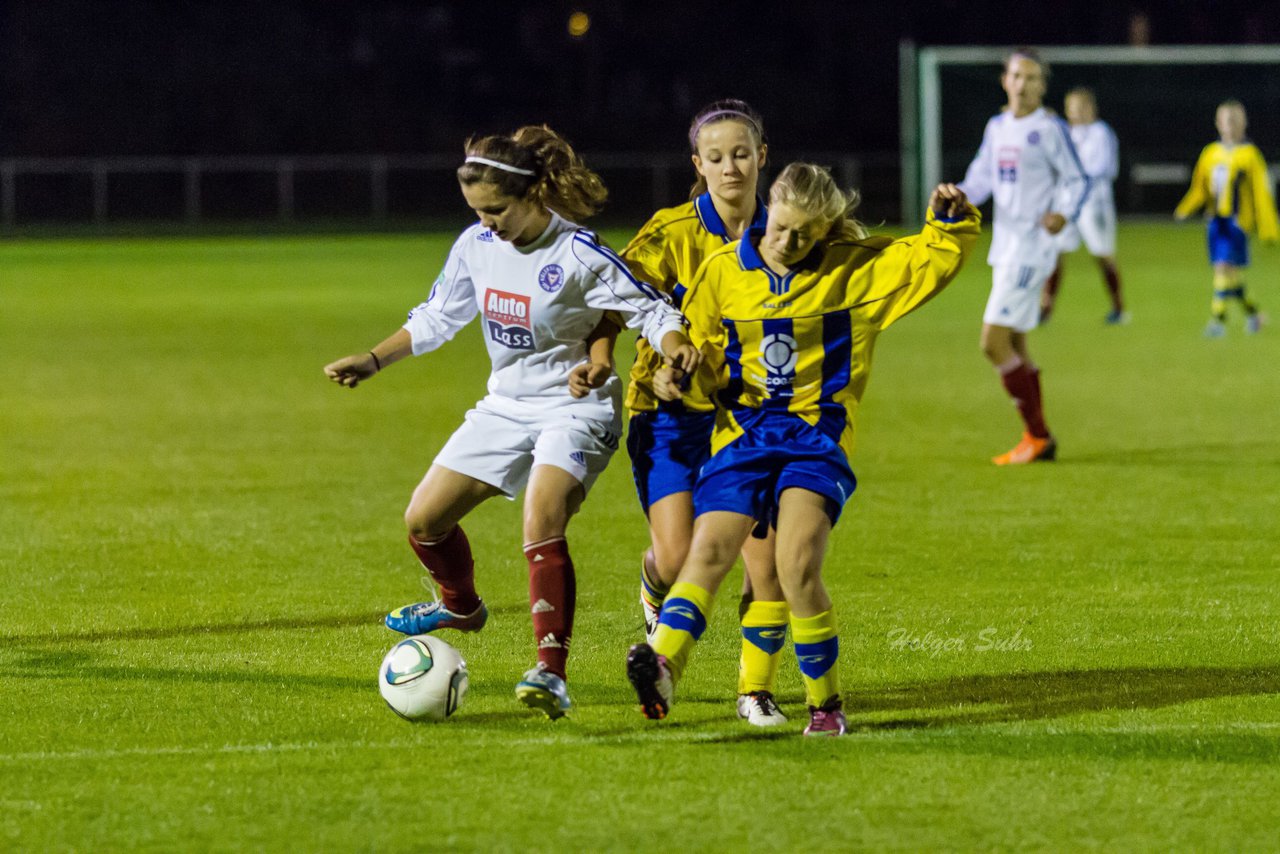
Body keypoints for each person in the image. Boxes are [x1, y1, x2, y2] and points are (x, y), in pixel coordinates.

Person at [323, 125, 698, 720]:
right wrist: (373, 360)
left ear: (532, 195)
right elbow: (436, 318)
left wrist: (674, 345)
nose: (486, 222)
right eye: (476, 210)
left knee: (541, 513)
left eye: (495, 209)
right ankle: (462, 606)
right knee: (423, 519)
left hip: (575, 408)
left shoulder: (577, 252)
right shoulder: (476, 246)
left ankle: (550, 674)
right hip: (505, 406)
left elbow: (649, 307)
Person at [624, 164, 980, 736]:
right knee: (707, 552)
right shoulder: (723, 272)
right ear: (770, 212)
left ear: (827, 230)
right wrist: (676, 377)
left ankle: (827, 706)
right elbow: (701, 355)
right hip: (742, 438)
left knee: (794, 566)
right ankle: (663, 666)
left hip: (815, 442)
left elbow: (926, 261)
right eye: (783, 228)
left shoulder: (854, 274)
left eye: (806, 235)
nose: (788, 243)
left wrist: (950, 223)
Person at [603, 99, 792, 728]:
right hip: (669, 411)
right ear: (698, 164)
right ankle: (655, 585)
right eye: (716, 158)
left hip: (750, 415)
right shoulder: (670, 233)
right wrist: (609, 358)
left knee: (768, 561)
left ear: (762, 157)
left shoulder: (785, 231)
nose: (731, 167)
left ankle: (755, 689)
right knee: (681, 555)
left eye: (742, 154)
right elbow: (610, 301)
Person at [958, 49, 1090, 466]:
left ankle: (1037, 433)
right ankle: (1039, 440)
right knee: (1015, 343)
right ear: (1005, 80)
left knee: (991, 343)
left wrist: (1063, 213)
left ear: (1042, 86)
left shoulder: (1048, 129)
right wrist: (958, 196)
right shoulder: (997, 127)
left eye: (1032, 78)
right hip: (1006, 247)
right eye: (1017, 75)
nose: (1023, 83)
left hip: (1032, 249)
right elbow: (981, 176)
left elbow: (1077, 179)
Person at [1174, 99, 1278, 337]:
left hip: (1237, 223)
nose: (1229, 126)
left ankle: (1217, 321)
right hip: (1215, 222)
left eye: (1234, 121)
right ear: (1218, 123)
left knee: (1222, 269)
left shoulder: (1250, 155)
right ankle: (1254, 316)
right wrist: (1185, 208)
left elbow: (1262, 193)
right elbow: (1200, 188)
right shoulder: (1210, 154)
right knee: (1229, 274)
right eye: (1225, 121)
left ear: (1244, 124)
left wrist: (1268, 227)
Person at [1040, 87, 1128, 326]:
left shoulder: (1101, 133)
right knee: (1055, 252)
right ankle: (1045, 308)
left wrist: (1074, 176)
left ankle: (1119, 308)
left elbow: (1103, 168)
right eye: (1072, 107)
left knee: (1102, 254)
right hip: (1066, 203)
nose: (1076, 112)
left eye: (1081, 107)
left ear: (1091, 108)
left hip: (1093, 203)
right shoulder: (1064, 132)